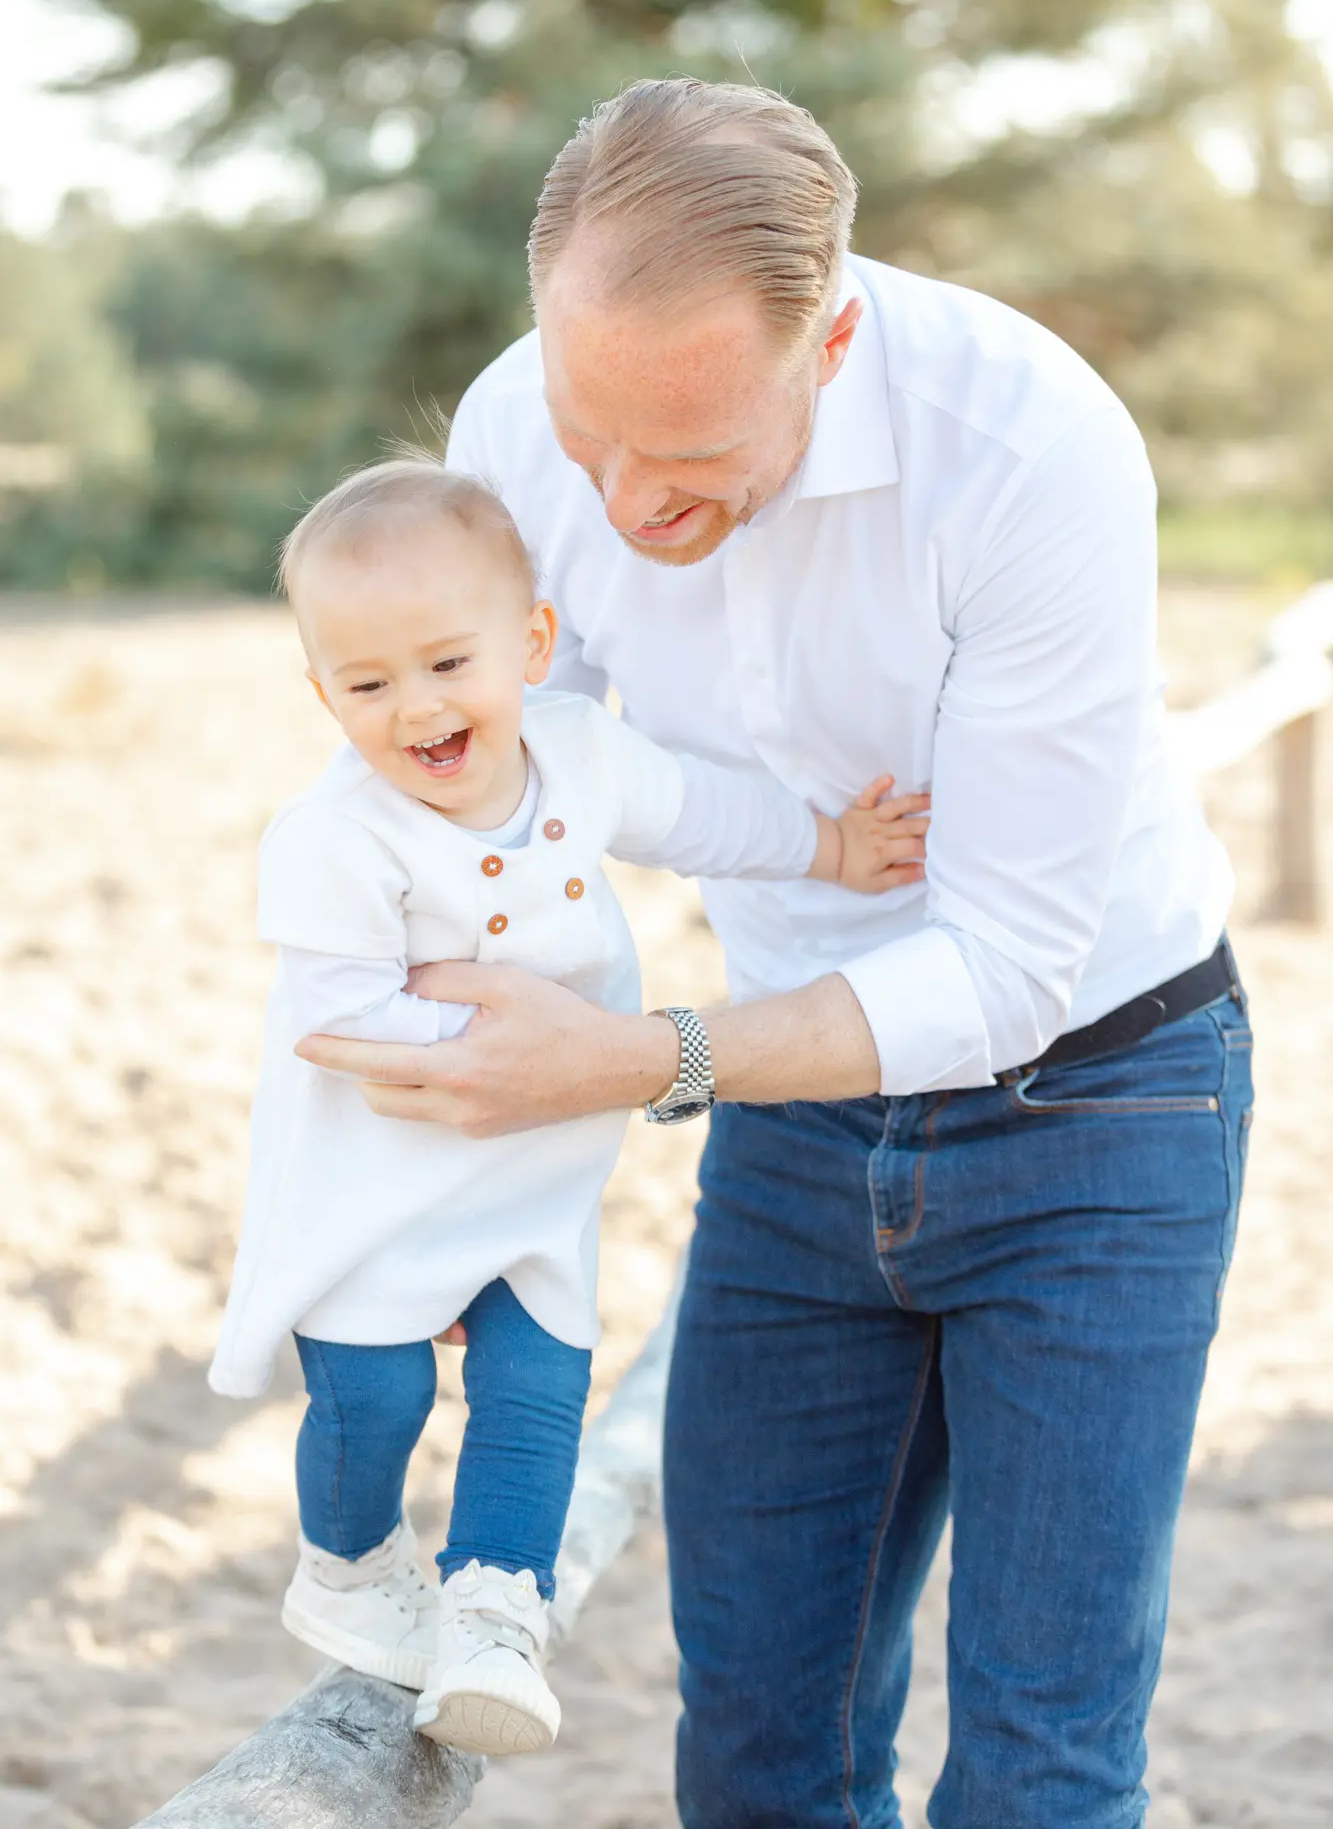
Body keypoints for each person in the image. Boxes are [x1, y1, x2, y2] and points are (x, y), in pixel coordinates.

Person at [299, 81, 1254, 1826]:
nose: (629, 507)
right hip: (796, 1126)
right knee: (754, 1753)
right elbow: (516, 813)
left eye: (694, 458)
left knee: (1041, 1765)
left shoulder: (1033, 448)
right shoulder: (528, 421)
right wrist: (439, 1204)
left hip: (1105, 1110)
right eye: (597, 445)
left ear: (833, 339)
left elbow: (1011, 969)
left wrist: (649, 1059)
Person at [209, 456, 924, 1760]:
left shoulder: (581, 756)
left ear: (532, 645)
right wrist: (496, 1034)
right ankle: (353, 1561)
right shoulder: (334, 838)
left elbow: (708, 813)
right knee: (371, 1401)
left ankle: (494, 1608)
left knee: (539, 1385)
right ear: (323, 695)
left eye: (446, 663)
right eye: (367, 685)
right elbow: (339, 1019)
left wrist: (833, 846)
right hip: (381, 1182)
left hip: (534, 1173)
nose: (414, 706)